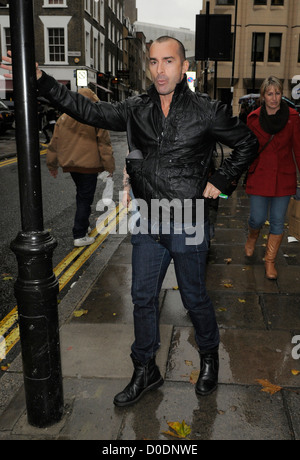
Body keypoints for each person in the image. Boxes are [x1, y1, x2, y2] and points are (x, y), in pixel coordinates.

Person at [1, 37, 259, 406]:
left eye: (168, 61)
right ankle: (144, 369)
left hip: (188, 220)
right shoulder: (137, 108)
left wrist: (220, 181)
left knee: (194, 297)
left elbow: (248, 143)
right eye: (153, 62)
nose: (159, 70)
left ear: (183, 66)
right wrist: (42, 79)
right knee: (141, 298)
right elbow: (89, 112)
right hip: (149, 220)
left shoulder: (207, 110)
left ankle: (209, 356)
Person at [244, 76, 300, 280]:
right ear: (263, 96)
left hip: (284, 178)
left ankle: (270, 262)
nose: (274, 98)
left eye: (277, 93)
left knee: (277, 221)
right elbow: (247, 149)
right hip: (259, 176)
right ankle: (252, 235)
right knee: (257, 218)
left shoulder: (293, 117)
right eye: (270, 94)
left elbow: (298, 150)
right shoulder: (253, 118)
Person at [46, 88, 115, 247]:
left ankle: (83, 225)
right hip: (88, 165)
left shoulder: (64, 117)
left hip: (71, 165)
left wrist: (52, 164)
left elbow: (54, 143)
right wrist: (109, 167)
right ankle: (79, 234)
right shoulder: (95, 117)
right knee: (85, 198)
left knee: (81, 195)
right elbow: (104, 144)